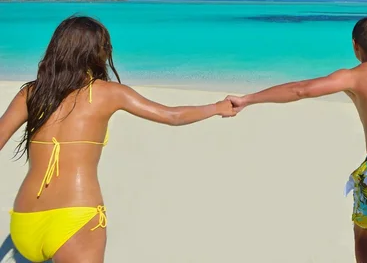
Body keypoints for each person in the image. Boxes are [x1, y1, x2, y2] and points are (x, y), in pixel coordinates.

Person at [0, 15, 235, 263]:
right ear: (95, 52)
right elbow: (172, 116)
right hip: (75, 217)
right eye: (105, 46)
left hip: (24, 221)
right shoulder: (108, 93)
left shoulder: (32, 92)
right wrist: (217, 107)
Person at [226, 17, 367, 262]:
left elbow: (301, 89)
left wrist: (247, 99)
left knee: (364, 238)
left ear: (355, 46)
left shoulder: (354, 76)